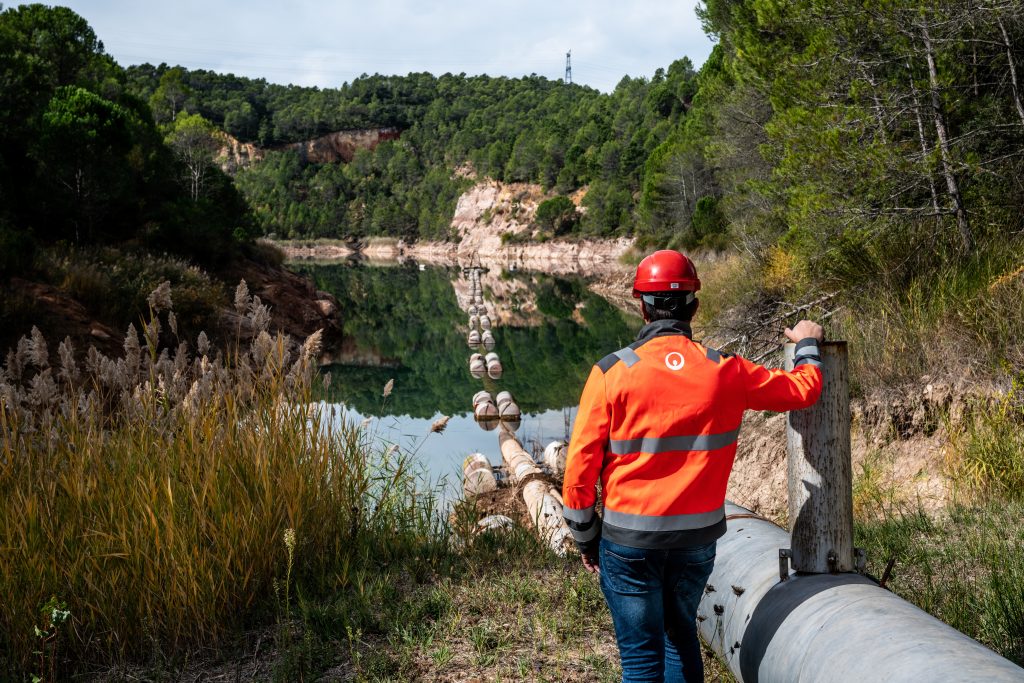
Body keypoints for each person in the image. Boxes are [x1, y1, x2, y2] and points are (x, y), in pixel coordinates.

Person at [562, 250, 824, 683]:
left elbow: (579, 475)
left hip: (629, 544)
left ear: (641, 305)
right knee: (680, 635)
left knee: (641, 657)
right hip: (695, 541)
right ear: (695, 306)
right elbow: (804, 390)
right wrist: (808, 343)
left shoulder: (611, 373)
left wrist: (586, 539)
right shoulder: (725, 371)